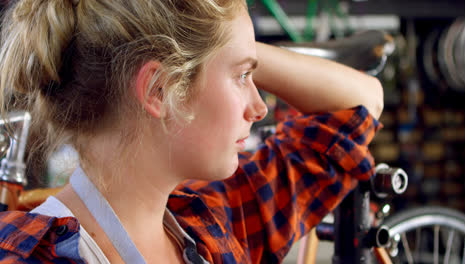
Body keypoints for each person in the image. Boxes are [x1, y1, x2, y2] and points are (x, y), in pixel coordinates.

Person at [0, 0, 383, 263]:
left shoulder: (210, 221)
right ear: (159, 91)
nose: (259, 106)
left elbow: (360, 105)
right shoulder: (27, 254)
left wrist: (227, 45)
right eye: (242, 77)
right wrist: (214, 45)